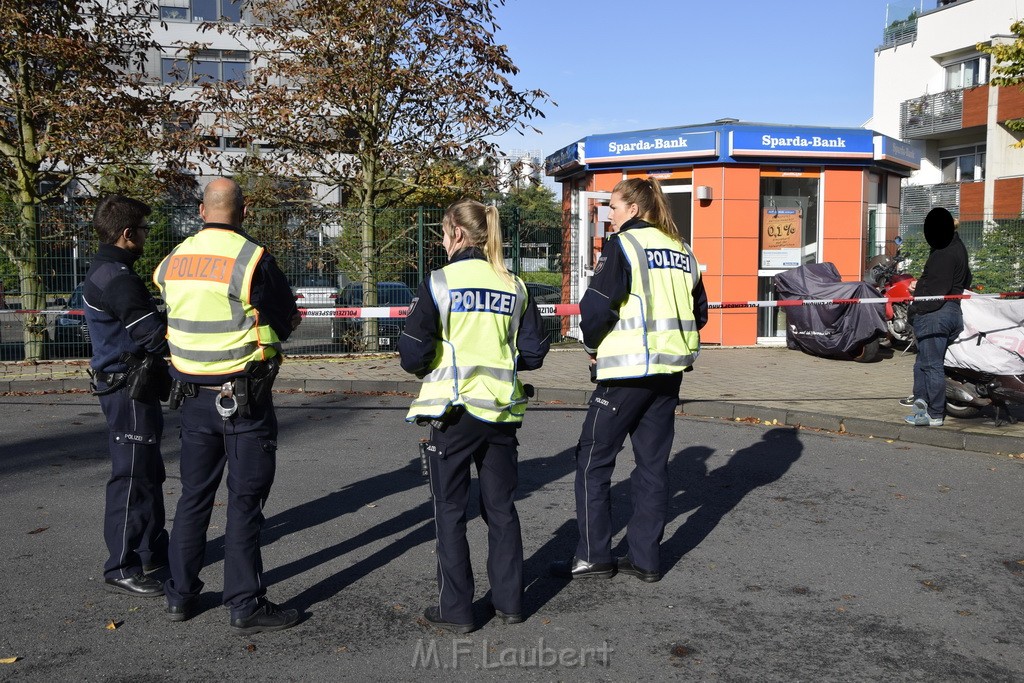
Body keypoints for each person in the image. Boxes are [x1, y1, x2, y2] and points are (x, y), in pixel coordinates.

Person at [154, 178, 302, 634]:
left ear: (201, 210)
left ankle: (180, 595)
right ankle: (245, 604)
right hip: (243, 399)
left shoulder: (172, 260)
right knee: (244, 502)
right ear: (243, 210)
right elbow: (286, 316)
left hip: (192, 399)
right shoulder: (252, 258)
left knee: (193, 497)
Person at [399, 199, 550, 633]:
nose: (443, 243)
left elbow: (412, 352)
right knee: (500, 509)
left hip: (454, 410)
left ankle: (458, 611)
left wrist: (433, 365)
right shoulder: (514, 285)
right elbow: (535, 354)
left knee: (449, 509)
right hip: (500, 411)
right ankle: (510, 604)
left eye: (444, 235)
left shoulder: (441, 282)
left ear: (458, 234)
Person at [550, 177, 708, 583]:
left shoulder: (624, 246)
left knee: (592, 461)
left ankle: (593, 556)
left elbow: (598, 307)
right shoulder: (682, 250)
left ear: (634, 210)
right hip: (668, 372)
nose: (611, 216)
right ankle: (646, 560)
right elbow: (700, 313)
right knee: (652, 467)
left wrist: (590, 344)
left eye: (615, 209)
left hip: (626, 372)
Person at [84, 194, 171, 597]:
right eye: (144, 229)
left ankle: (150, 549)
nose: (146, 235)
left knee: (149, 471)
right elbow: (151, 334)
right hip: (128, 386)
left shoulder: (106, 270)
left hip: (127, 384)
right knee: (133, 474)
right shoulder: (117, 277)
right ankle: (121, 564)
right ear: (127, 234)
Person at [902, 207, 972, 427]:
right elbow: (965, 280)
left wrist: (917, 303)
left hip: (935, 315)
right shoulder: (958, 248)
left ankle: (934, 414)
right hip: (952, 312)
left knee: (931, 365)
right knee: (922, 364)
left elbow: (936, 291)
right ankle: (921, 407)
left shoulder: (943, 253)